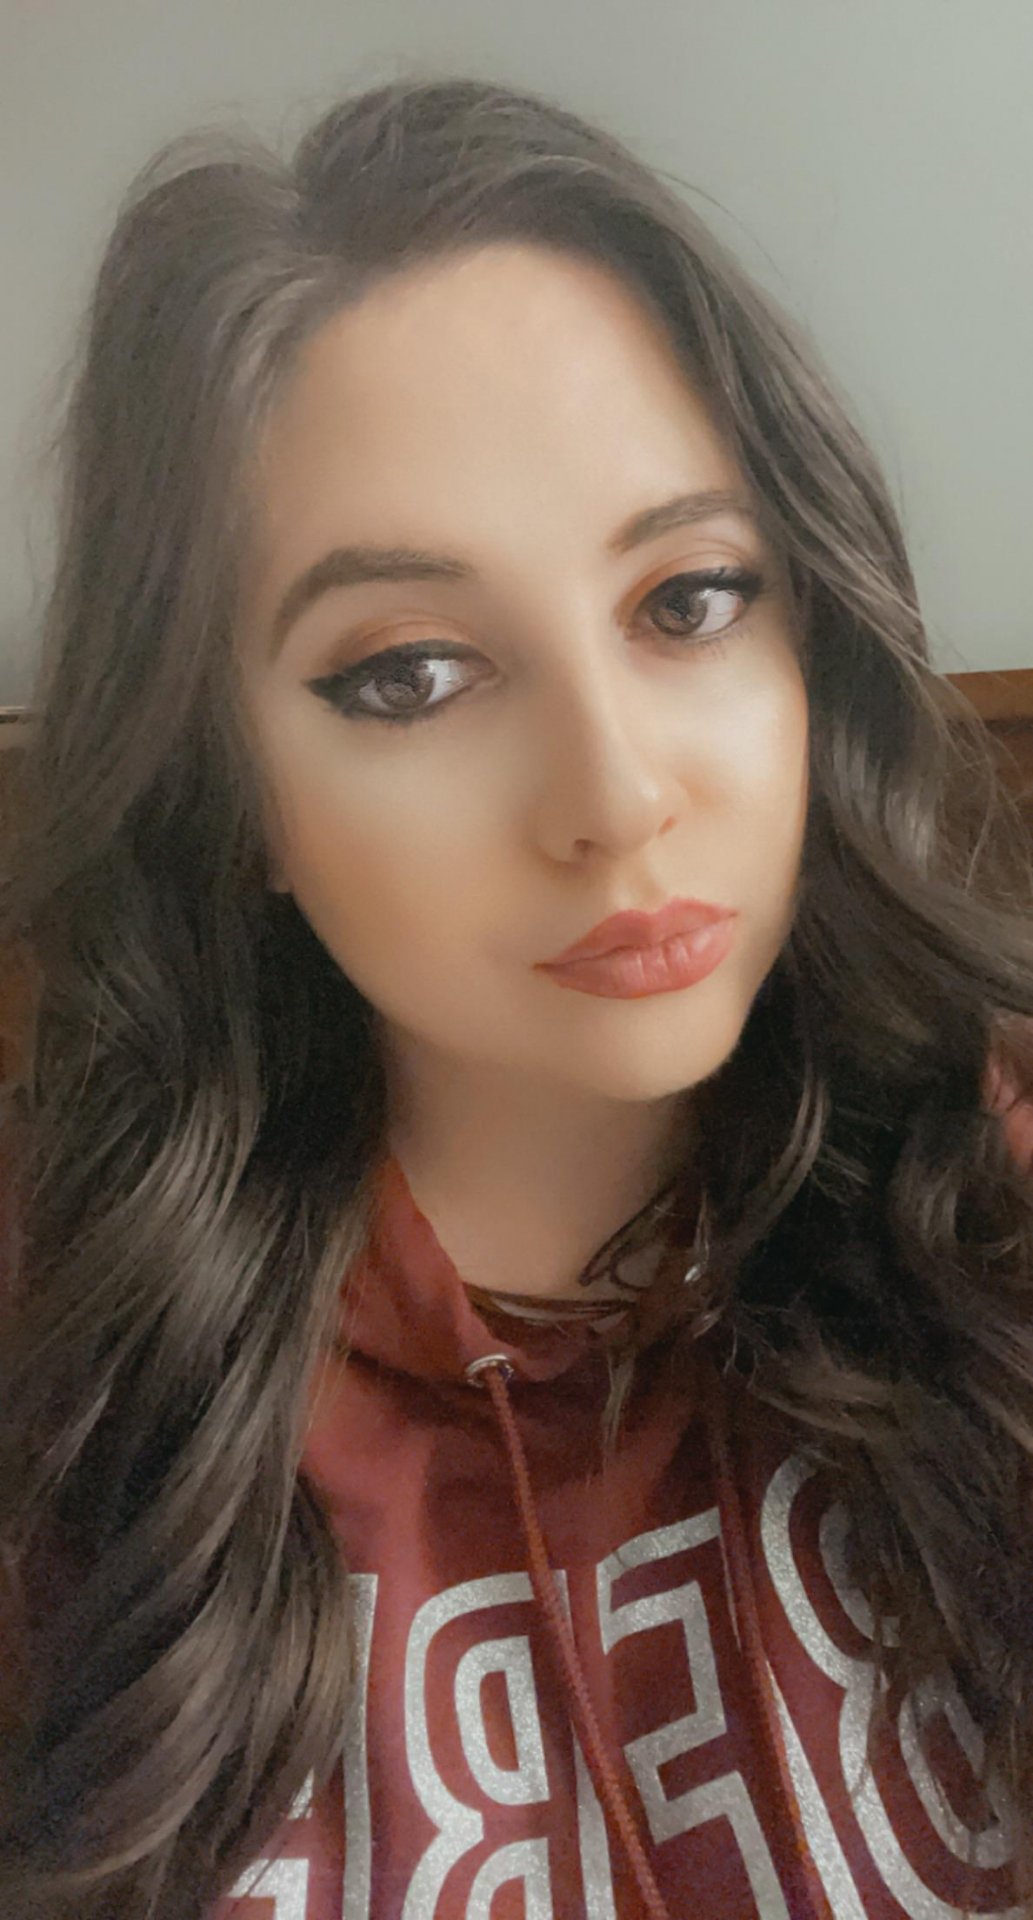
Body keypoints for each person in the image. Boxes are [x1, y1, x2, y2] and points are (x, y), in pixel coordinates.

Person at [1, 72, 1033, 1920]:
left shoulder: (999, 1213)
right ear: (232, 792)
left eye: (689, 599)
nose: (615, 798)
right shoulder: (63, 1371)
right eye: (410, 674)